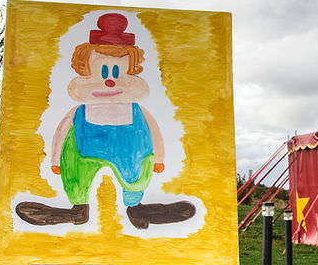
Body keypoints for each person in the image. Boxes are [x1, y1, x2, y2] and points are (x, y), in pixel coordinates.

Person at [15, 13, 194, 229]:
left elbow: (154, 132)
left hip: (129, 151)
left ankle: (136, 208)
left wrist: (159, 157)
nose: (110, 80)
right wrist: (55, 160)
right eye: (103, 71)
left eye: (117, 71)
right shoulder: (79, 111)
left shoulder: (137, 110)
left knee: (137, 173)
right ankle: (78, 209)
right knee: (76, 169)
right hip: (85, 148)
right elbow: (62, 131)